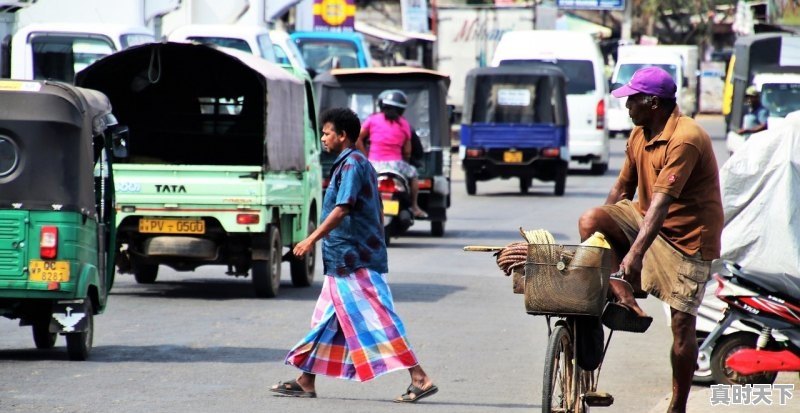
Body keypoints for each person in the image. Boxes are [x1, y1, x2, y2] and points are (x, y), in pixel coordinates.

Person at [578, 67, 723, 413]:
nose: (626, 106)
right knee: (591, 219)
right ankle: (620, 290)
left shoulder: (685, 138)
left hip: (687, 240)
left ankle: (678, 404)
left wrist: (636, 255)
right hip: (645, 222)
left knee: (682, 328)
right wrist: (600, 245)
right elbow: (621, 189)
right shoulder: (639, 134)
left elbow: (661, 204)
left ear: (652, 103)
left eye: (632, 99)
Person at [270, 107, 438, 403]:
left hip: (355, 260)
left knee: (379, 319)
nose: (322, 138)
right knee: (325, 319)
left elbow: (342, 208)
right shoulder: (349, 162)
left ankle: (420, 377)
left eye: (326, 132)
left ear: (343, 135)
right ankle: (306, 380)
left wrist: (310, 239)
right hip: (341, 260)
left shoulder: (352, 165)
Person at [356, 90, 427, 218]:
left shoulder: (372, 120)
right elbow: (407, 151)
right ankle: (415, 206)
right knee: (414, 174)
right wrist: (406, 160)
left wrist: (365, 156)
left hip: (374, 163)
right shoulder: (404, 123)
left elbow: (358, 138)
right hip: (396, 165)